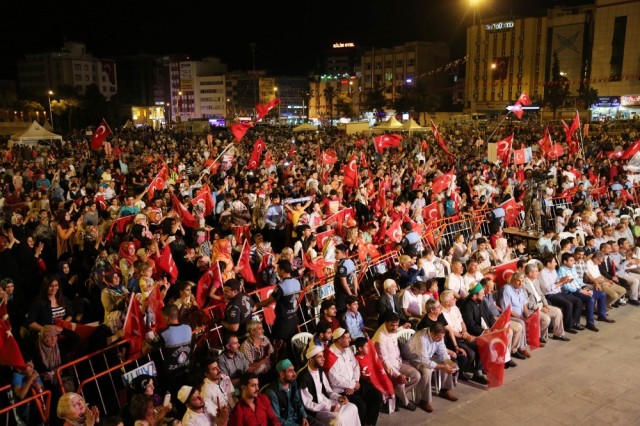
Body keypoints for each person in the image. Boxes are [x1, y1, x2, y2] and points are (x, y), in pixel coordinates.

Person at [325, 327, 383, 425]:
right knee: (361, 406)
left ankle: (370, 423)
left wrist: (355, 381)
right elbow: (335, 380)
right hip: (342, 390)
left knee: (377, 395)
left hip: (355, 383)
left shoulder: (347, 350)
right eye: (347, 338)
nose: (350, 339)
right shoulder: (331, 355)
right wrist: (352, 385)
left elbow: (356, 365)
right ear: (340, 340)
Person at [296, 344, 361, 425]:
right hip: (317, 409)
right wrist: (329, 408)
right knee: (338, 419)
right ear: (311, 360)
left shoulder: (320, 370)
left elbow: (328, 391)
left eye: (323, 356)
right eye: (320, 357)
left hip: (327, 401)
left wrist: (339, 397)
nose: (323, 359)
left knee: (353, 408)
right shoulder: (303, 377)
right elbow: (308, 404)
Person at [460, 282, 519, 369]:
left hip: (488, 328)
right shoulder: (467, 306)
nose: (484, 295)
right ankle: (495, 362)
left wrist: (496, 326)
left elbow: (489, 315)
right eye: (481, 294)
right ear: (474, 296)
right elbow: (470, 325)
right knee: (495, 337)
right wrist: (484, 331)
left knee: (507, 332)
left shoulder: (482, 301)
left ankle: (504, 358)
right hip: (477, 332)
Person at [405, 322, 459, 413]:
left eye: (442, 337)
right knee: (427, 370)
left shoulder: (439, 336)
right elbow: (424, 361)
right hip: (413, 358)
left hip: (426, 356)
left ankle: (444, 390)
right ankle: (424, 400)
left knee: (446, 364)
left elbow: (443, 353)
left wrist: (450, 363)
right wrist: (442, 367)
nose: (440, 340)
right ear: (432, 333)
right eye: (439, 337)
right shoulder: (421, 338)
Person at [372, 312, 420, 412]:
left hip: (398, 363)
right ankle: (405, 401)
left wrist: (401, 328)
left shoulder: (393, 330)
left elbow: (396, 329)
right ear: (386, 323)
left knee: (416, 375)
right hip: (386, 370)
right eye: (392, 325)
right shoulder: (380, 338)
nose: (394, 328)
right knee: (400, 383)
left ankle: (396, 397)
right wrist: (398, 375)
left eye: (396, 325)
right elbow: (384, 362)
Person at [558, 252, 611, 332]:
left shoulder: (572, 268)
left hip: (580, 289)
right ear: (565, 262)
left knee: (602, 294)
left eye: (573, 260)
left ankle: (601, 315)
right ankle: (590, 323)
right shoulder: (561, 270)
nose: (574, 262)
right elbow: (566, 287)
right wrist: (581, 291)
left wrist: (585, 287)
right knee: (590, 299)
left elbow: (578, 280)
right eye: (571, 261)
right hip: (572, 292)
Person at [538, 255, 584, 333]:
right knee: (568, 304)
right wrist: (561, 282)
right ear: (548, 264)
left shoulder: (553, 270)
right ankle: (567, 326)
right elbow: (548, 288)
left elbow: (557, 281)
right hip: (550, 295)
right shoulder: (543, 273)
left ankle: (575, 323)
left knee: (578, 301)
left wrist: (564, 280)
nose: (556, 264)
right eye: (554, 262)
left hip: (558, 292)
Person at [523, 263, 569, 342]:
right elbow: (527, 303)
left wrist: (546, 305)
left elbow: (542, 294)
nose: (538, 273)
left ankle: (558, 334)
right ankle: (536, 336)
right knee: (546, 319)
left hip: (541, 305)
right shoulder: (523, 284)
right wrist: (541, 308)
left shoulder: (536, 281)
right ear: (530, 273)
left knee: (558, 311)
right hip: (532, 308)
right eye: (536, 271)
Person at [264, 359, 310, 426]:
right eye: (290, 371)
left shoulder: (292, 383)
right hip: (286, 423)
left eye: (293, 370)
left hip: (298, 418)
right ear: (282, 374)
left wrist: (304, 417)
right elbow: (277, 419)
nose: (294, 374)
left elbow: (298, 402)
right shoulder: (272, 392)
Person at [159, 304, 193, 397]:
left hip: (172, 375)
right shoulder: (188, 328)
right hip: (186, 370)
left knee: (178, 399)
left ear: (166, 317)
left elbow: (147, 349)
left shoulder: (164, 334)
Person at [199, 357, 236, 422]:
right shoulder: (205, 392)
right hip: (225, 421)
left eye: (217, 366)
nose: (219, 370)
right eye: (214, 369)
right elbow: (211, 415)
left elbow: (232, 395)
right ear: (206, 374)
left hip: (235, 412)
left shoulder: (225, 378)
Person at [333, 243, 357, 311]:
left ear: (343, 253)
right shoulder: (350, 261)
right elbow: (355, 278)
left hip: (343, 294)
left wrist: (350, 295)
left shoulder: (342, 265)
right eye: (335, 252)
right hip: (350, 291)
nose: (335, 254)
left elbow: (344, 283)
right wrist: (355, 292)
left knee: (342, 312)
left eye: (337, 253)